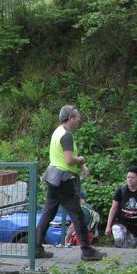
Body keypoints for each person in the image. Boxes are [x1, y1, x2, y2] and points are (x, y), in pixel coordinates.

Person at [35, 105, 104, 261]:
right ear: (70, 118)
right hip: (65, 180)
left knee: (48, 213)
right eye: (77, 116)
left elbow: (62, 157)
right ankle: (87, 251)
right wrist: (81, 160)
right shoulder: (67, 136)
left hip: (53, 178)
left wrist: (81, 165)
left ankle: (36, 248)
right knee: (77, 215)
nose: (79, 119)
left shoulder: (58, 131)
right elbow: (69, 160)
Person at [106, 166, 137, 248]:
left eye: (132, 178)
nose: (130, 179)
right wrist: (108, 226)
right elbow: (113, 208)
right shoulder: (121, 190)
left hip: (135, 225)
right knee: (119, 239)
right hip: (121, 222)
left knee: (130, 247)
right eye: (128, 177)